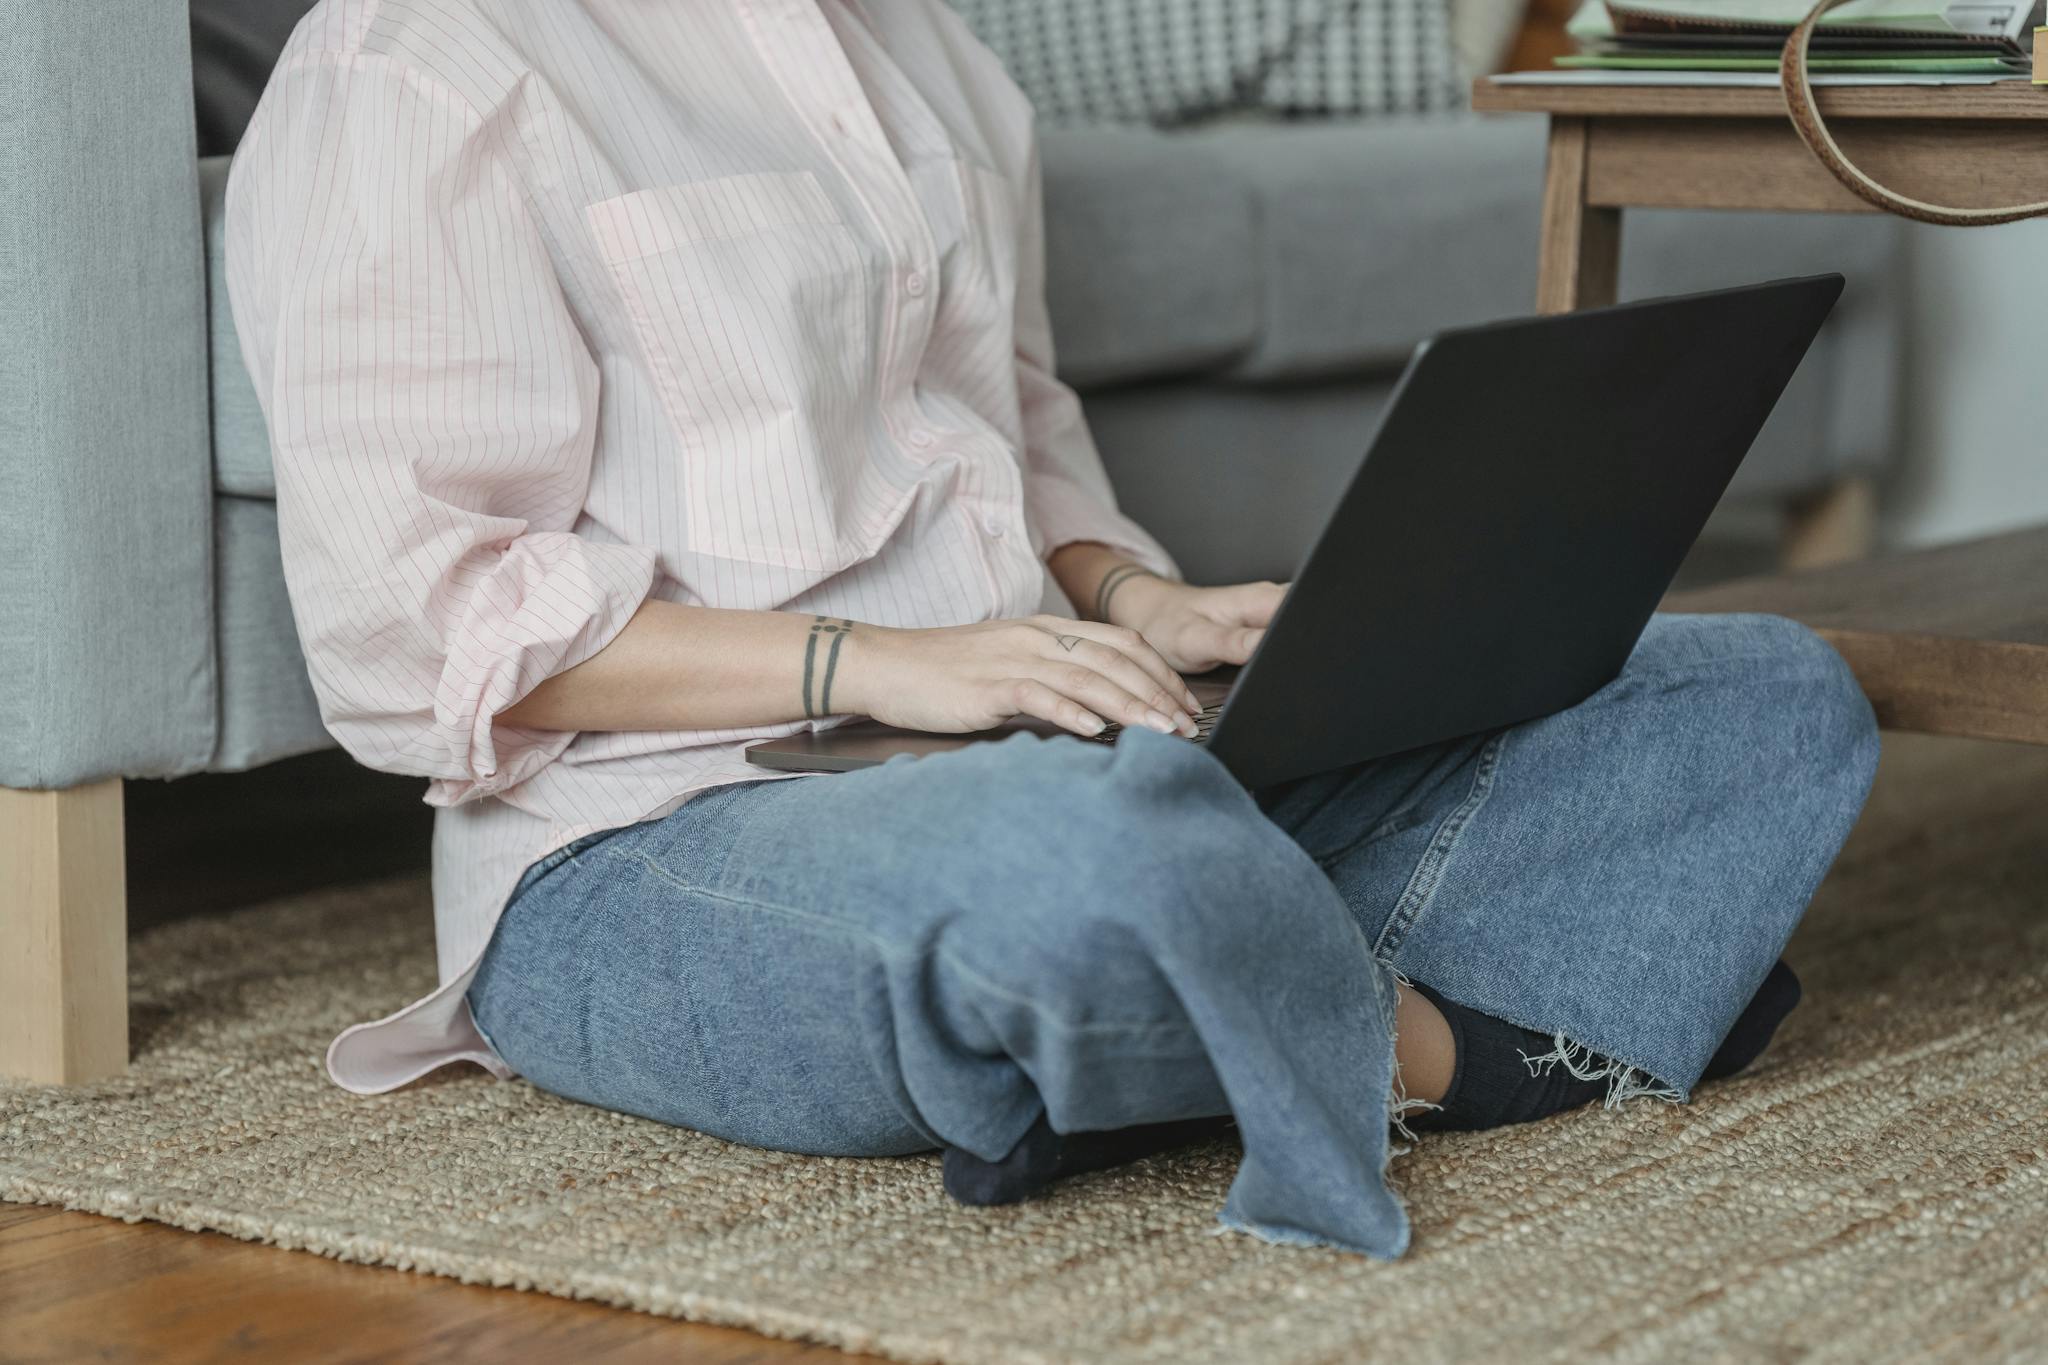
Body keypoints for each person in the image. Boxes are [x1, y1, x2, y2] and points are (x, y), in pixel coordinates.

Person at [226, 0, 1878, 1258]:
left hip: (1067, 739)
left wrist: (1138, 599)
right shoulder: (418, 62)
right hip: (655, 839)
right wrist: (881, 667)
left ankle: (1161, 1029)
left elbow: (1009, 428)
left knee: (1761, 691)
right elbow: (410, 627)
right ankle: (1456, 1039)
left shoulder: (926, 42)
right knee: (1078, 861)